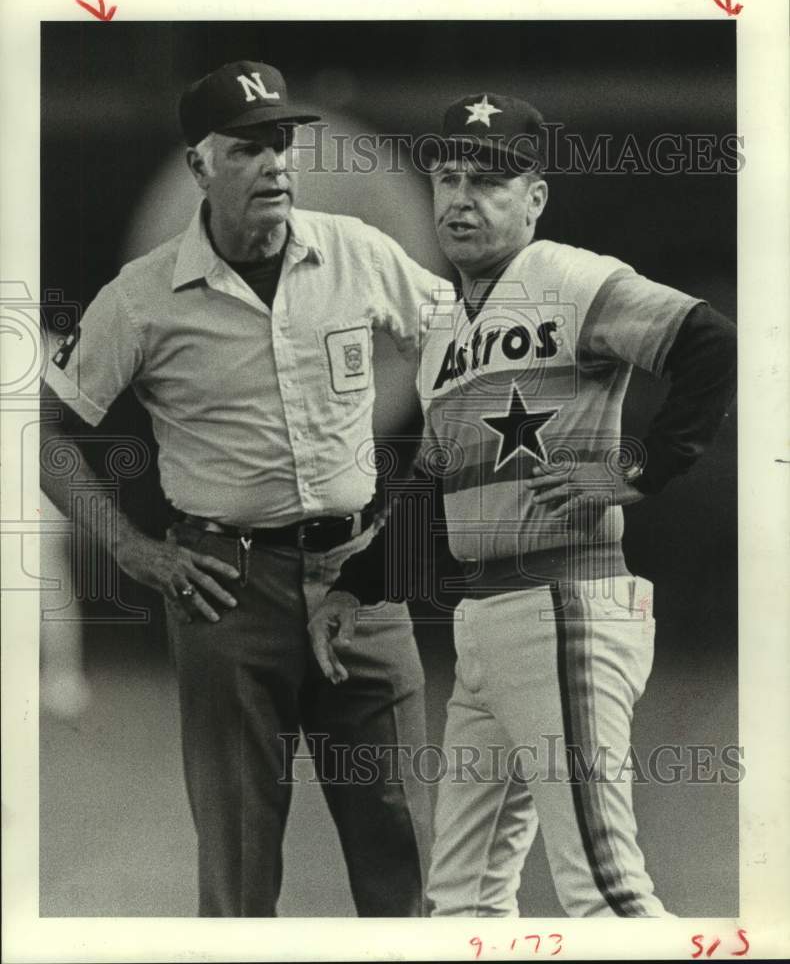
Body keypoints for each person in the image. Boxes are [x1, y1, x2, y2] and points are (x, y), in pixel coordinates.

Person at [308, 92, 737, 917]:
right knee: (462, 903)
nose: (462, 198)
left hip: (563, 607)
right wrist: (353, 589)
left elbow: (709, 343)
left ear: (534, 199)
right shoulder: (444, 329)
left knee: (605, 891)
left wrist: (639, 469)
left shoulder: (566, 277)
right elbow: (435, 492)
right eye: (449, 177)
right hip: (489, 626)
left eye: (491, 181)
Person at [40, 60, 450, 917]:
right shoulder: (144, 297)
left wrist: (419, 501)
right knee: (238, 865)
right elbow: (45, 434)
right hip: (226, 591)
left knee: (402, 851)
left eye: (283, 143)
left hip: (360, 579)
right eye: (250, 148)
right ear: (199, 166)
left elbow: (469, 355)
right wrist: (130, 548)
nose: (276, 164)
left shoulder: (358, 253)